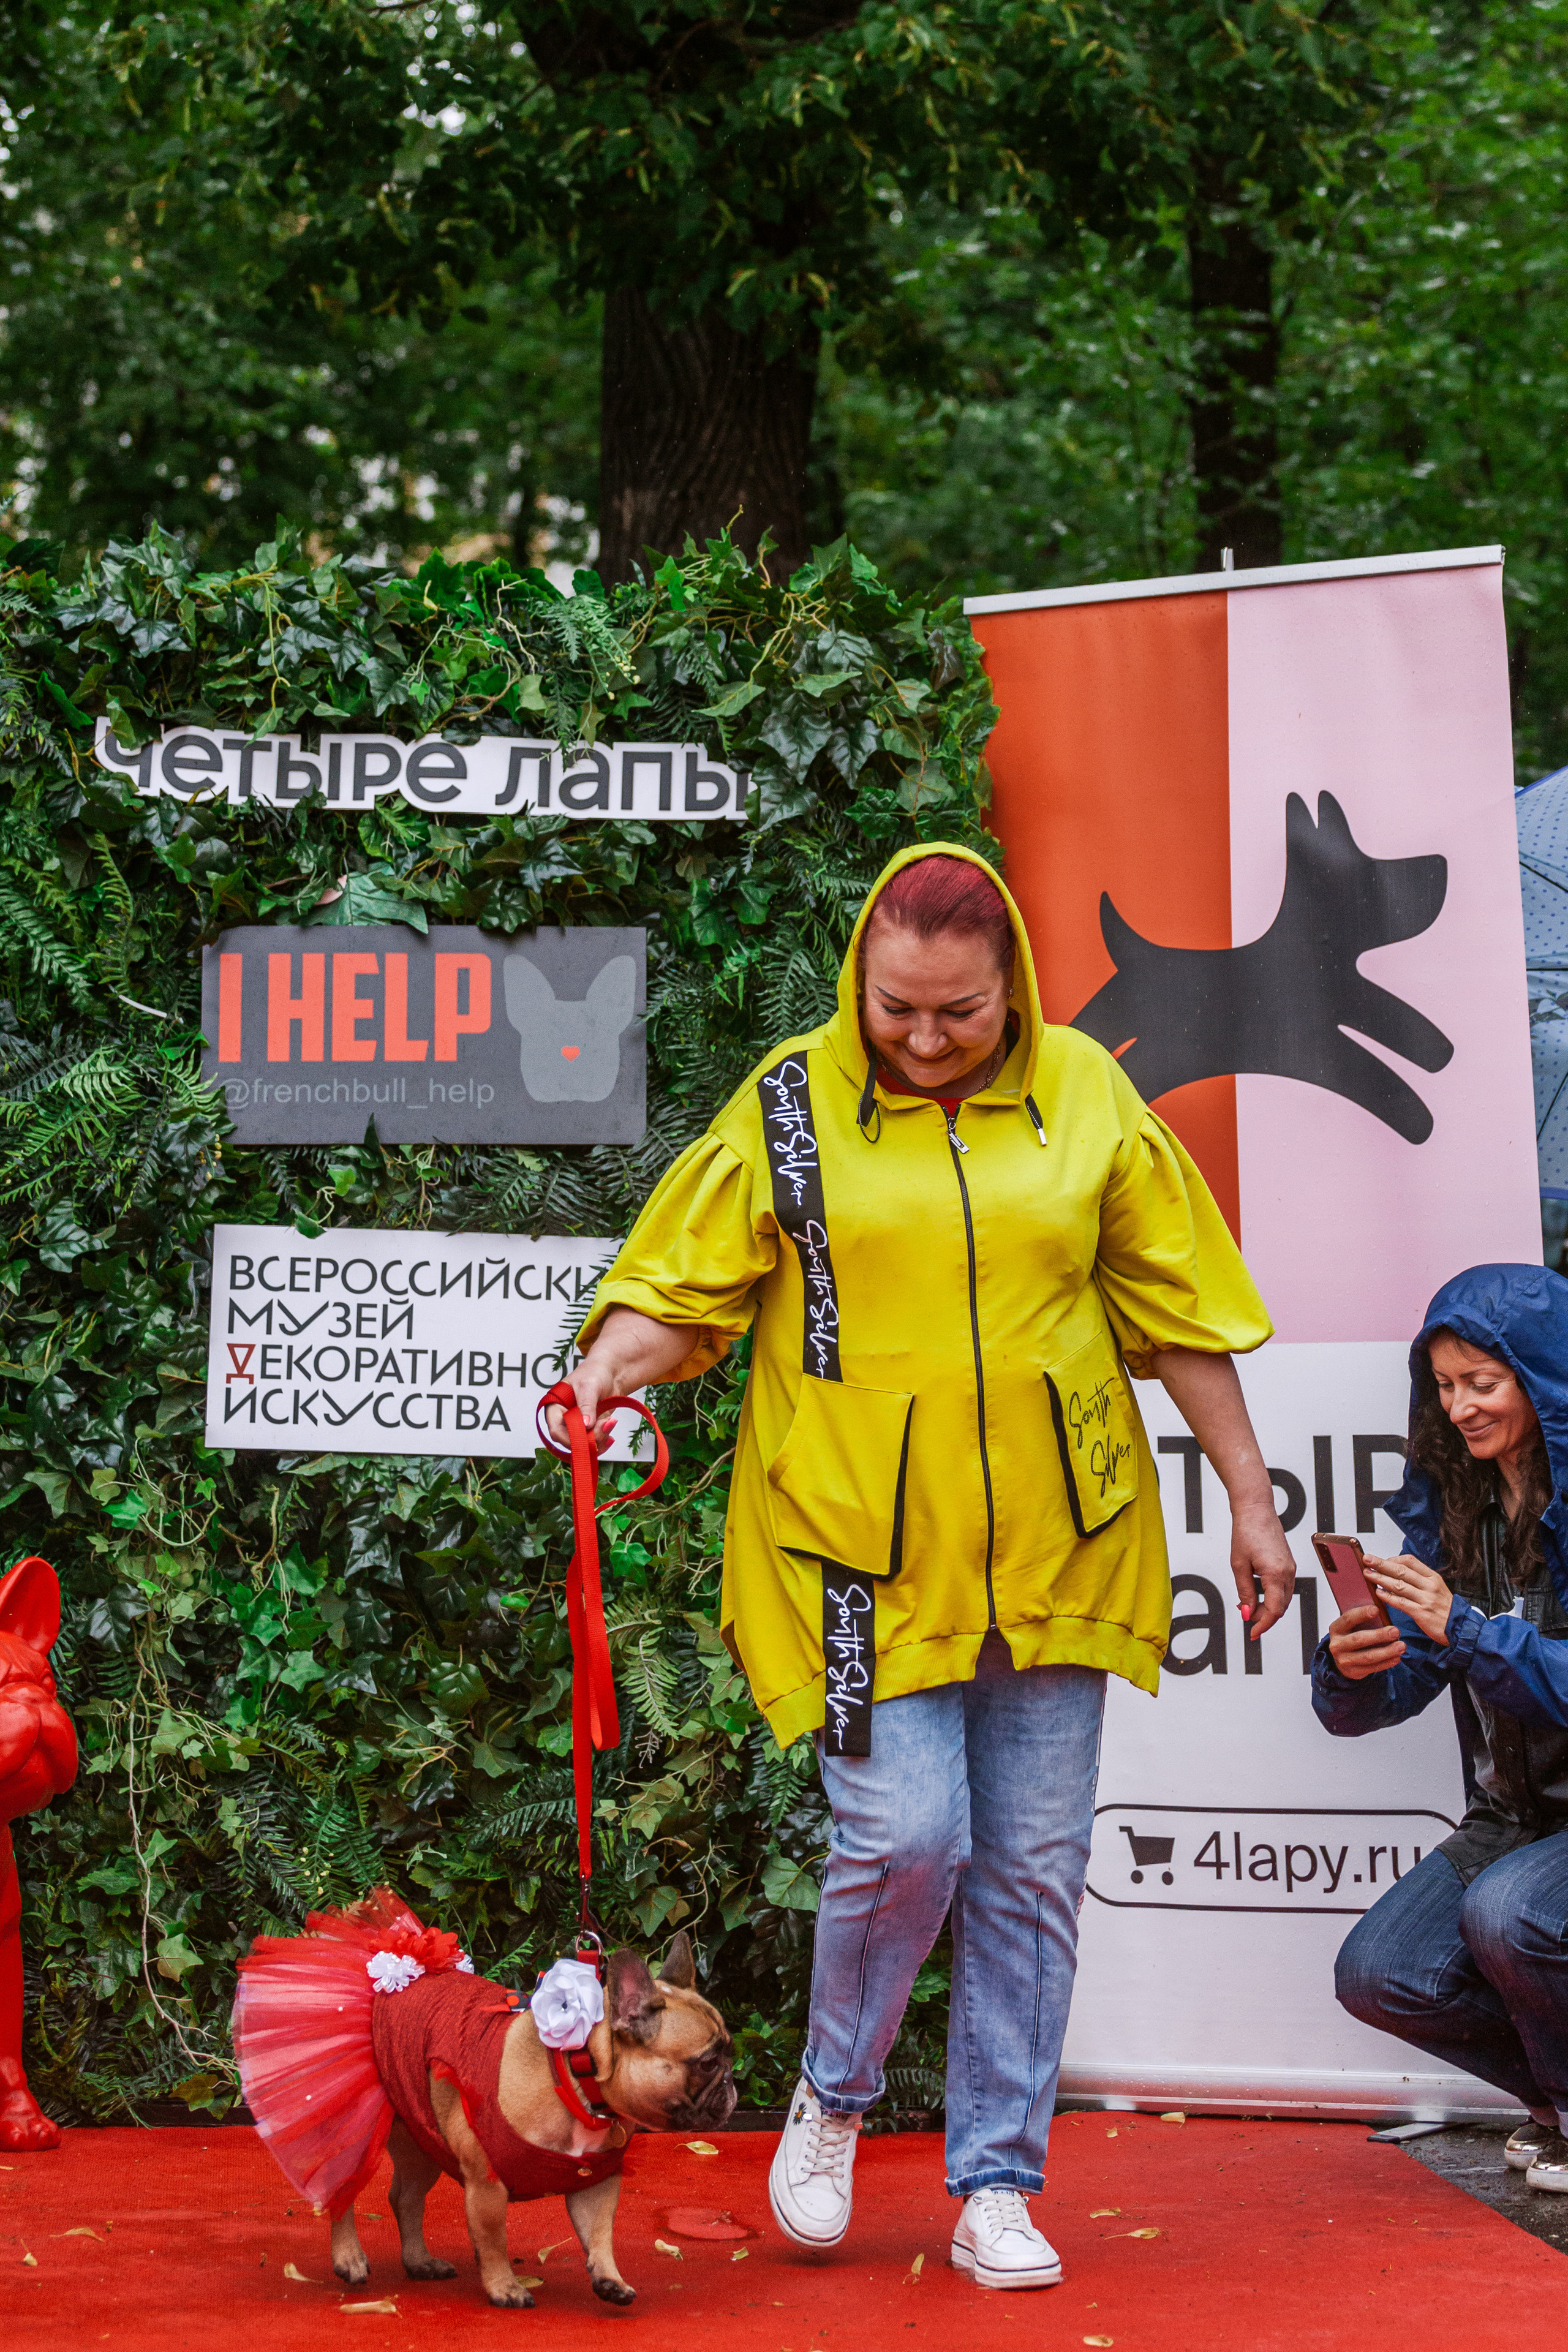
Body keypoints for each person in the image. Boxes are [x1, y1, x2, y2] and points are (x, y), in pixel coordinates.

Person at [554, 843, 1291, 2289]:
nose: (928, 1038)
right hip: (853, 1551)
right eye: (898, 1010)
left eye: (959, 1012)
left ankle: (998, 2181)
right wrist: (603, 1374)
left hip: (1057, 1541)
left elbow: (1175, 1314)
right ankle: (833, 2096)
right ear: (858, 983)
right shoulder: (788, 1102)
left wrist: (1250, 1498)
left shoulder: (1087, 1093)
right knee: (904, 1838)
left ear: (1010, 984)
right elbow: (681, 1294)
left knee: (1030, 1869)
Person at [1313, 1263, 1568, 2192]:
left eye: (1484, 1383)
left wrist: (1467, 1629)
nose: (1460, 1408)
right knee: (1381, 1974)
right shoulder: (1457, 1510)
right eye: (1445, 1386)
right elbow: (1390, 1695)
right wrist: (1351, 1670)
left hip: (1548, 1848)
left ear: (1542, 1379)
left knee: (1508, 1911)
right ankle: (1557, 2103)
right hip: (1512, 1822)